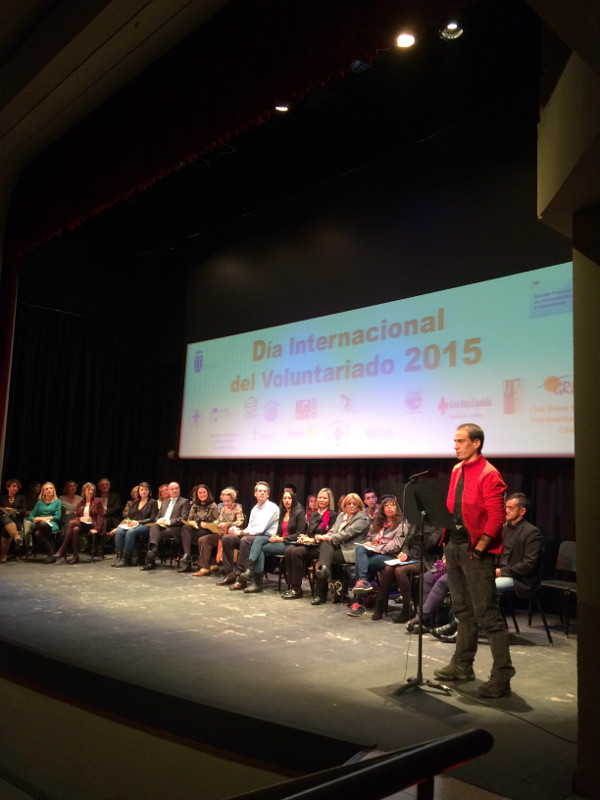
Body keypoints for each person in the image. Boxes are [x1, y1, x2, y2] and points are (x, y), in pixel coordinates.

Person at [433, 423, 513, 699]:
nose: (455, 445)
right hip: (455, 547)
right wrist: (447, 543)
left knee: (487, 614)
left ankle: (502, 676)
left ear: (476, 443)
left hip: (475, 551)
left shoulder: (490, 474)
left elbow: (496, 516)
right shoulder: (457, 470)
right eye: (454, 440)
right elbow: (453, 509)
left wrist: (480, 547)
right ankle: (462, 665)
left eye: (460, 441)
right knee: (462, 611)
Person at [347, 494, 407, 617]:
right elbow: (369, 538)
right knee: (360, 549)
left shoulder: (402, 525)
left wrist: (375, 547)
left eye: (393, 505)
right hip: (375, 551)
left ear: (397, 508)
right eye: (386, 505)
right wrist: (369, 543)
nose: (390, 507)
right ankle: (363, 581)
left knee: (363, 564)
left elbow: (395, 546)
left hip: (390, 555)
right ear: (383, 509)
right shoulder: (378, 523)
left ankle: (359, 602)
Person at [372, 521, 443, 623]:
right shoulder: (415, 524)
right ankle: (380, 604)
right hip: (411, 559)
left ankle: (407, 608)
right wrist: (405, 554)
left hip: (427, 561)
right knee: (389, 568)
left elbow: (429, 544)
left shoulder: (439, 526)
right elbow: (406, 544)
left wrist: (422, 532)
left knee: (400, 570)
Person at [240, 488, 306, 593]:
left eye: (289, 498)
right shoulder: (282, 513)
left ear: (293, 499)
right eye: (285, 498)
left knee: (259, 545)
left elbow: (299, 534)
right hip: (281, 542)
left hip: (292, 545)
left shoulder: (299, 513)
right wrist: (276, 536)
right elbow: (279, 531)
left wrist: (281, 538)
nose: (287, 500)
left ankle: (252, 573)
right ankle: (255, 579)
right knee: (260, 542)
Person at [217, 481, 278, 590]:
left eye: (265, 491)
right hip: (253, 535)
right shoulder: (255, 508)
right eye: (260, 491)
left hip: (265, 537)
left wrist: (241, 532)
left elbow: (260, 530)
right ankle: (229, 573)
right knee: (227, 538)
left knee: (245, 540)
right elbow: (250, 527)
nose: (262, 493)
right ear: (255, 493)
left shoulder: (272, 508)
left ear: (268, 495)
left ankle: (240, 578)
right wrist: (236, 530)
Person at [312, 493, 369, 605]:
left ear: (359, 506)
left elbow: (347, 533)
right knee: (325, 548)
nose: (352, 506)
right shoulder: (341, 515)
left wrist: (327, 537)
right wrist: (327, 536)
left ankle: (320, 594)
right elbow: (333, 530)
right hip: (338, 547)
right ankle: (324, 572)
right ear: (345, 505)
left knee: (324, 559)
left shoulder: (362, 518)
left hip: (351, 550)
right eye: (349, 504)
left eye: (354, 504)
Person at [282, 487, 338, 599]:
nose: (322, 500)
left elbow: (330, 535)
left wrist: (313, 539)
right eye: (320, 497)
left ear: (329, 500)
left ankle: (297, 588)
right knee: (289, 551)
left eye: (324, 498)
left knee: (296, 552)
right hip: (311, 545)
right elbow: (309, 532)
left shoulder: (332, 515)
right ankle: (292, 586)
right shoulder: (314, 514)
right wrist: (304, 537)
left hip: (323, 546)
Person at [495, 492, 543, 596]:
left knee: (487, 585)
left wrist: (502, 572)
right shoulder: (504, 529)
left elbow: (529, 564)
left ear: (522, 511)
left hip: (519, 580)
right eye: (506, 507)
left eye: (511, 508)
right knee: (472, 581)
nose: (506, 511)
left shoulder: (532, 532)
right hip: (500, 572)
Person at [193, 487, 244, 576]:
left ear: (233, 499)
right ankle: (209, 565)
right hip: (221, 533)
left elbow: (240, 522)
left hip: (231, 534)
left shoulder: (237, 508)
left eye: (228, 501)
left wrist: (227, 524)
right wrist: (212, 524)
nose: (226, 503)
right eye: (224, 501)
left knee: (206, 540)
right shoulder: (223, 509)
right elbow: (219, 520)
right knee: (202, 539)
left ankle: (205, 567)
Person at [140, 482, 190, 570]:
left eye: (176, 488)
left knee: (154, 534)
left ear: (179, 489)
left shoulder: (184, 501)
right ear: (168, 491)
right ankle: (154, 550)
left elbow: (184, 518)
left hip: (175, 528)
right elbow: (157, 517)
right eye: (172, 489)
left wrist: (169, 522)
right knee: (153, 527)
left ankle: (152, 558)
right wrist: (158, 520)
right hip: (162, 527)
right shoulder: (165, 502)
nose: (175, 490)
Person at [55, 482, 105, 564]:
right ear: (84, 491)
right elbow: (76, 517)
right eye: (88, 489)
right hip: (82, 524)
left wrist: (96, 529)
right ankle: (75, 556)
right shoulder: (80, 503)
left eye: (92, 490)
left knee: (71, 523)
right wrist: (81, 518)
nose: (90, 491)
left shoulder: (98, 501)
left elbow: (100, 516)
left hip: (93, 524)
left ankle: (63, 547)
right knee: (75, 529)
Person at [111, 481, 158, 567]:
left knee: (130, 532)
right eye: (141, 490)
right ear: (139, 491)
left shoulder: (153, 502)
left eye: (146, 489)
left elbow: (152, 518)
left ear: (149, 491)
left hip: (146, 526)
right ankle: (119, 558)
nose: (143, 491)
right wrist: (128, 522)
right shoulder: (135, 502)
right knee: (119, 531)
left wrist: (137, 522)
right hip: (133, 525)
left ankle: (125, 559)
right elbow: (129, 516)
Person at [182, 484, 219, 571]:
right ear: (197, 494)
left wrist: (207, 525)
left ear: (208, 493)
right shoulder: (194, 506)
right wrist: (191, 522)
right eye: (200, 493)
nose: (202, 495)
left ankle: (198, 560)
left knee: (197, 535)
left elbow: (217, 521)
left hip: (207, 530)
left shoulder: (213, 505)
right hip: (195, 528)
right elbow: (189, 519)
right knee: (185, 528)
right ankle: (187, 556)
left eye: (204, 492)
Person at [28, 482, 62, 563]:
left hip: (52, 523)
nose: (49, 490)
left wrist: (45, 518)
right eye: (47, 489)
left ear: (54, 490)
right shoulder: (40, 502)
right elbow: (31, 517)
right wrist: (41, 519)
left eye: (51, 488)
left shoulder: (57, 502)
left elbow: (57, 517)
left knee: (38, 533)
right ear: (43, 492)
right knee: (41, 525)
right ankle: (51, 555)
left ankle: (50, 555)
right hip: (40, 523)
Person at [1, 478, 26, 561]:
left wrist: (13, 510)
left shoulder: (21, 498)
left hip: (16, 521)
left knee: (6, 528)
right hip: (3, 520)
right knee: (5, 517)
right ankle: (16, 537)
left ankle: (3, 555)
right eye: (14, 486)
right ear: (8, 487)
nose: (16, 488)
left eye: (17, 487)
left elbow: (23, 510)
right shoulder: (2, 498)